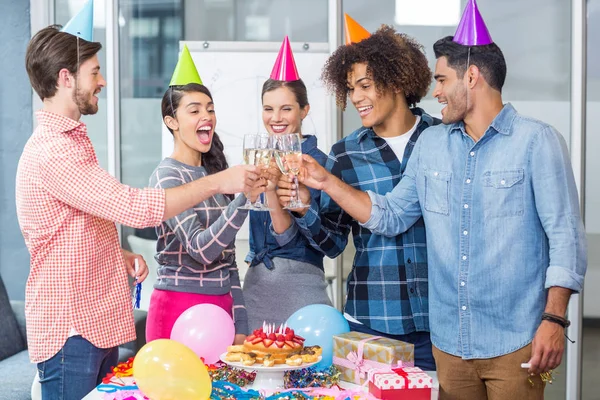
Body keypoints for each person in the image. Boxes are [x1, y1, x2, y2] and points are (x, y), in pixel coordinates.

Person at [294, 3, 587, 398]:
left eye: (441, 79)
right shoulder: (433, 144)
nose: (435, 92)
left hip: (515, 338)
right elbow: (393, 214)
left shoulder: (537, 141)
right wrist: (326, 182)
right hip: (446, 343)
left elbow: (565, 239)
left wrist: (554, 318)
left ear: (471, 76)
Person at [16, 11, 260, 400]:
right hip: (71, 329)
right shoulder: (53, 151)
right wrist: (220, 182)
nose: (103, 81)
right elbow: (132, 207)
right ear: (66, 78)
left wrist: (117, 251)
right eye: (94, 72)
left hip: (95, 323)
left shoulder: (74, 142)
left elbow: (74, 223)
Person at [277, 22, 439, 370]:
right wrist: (305, 208)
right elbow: (333, 244)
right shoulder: (346, 154)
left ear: (396, 81)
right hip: (372, 321)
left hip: (440, 323)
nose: (356, 99)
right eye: (350, 89)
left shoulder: (443, 139)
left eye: (365, 86)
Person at [147, 47, 261, 344]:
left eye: (210, 109)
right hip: (178, 307)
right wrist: (244, 199)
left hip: (222, 310)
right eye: (194, 110)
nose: (207, 116)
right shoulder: (167, 176)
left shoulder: (215, 173)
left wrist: (241, 324)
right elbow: (201, 250)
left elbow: (227, 261)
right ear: (171, 121)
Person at [243, 36, 332, 331]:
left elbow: (318, 240)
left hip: (301, 290)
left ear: (304, 110)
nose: (275, 118)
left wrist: (279, 195)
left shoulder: (318, 164)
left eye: (286, 109)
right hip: (257, 287)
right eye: (268, 109)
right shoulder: (258, 161)